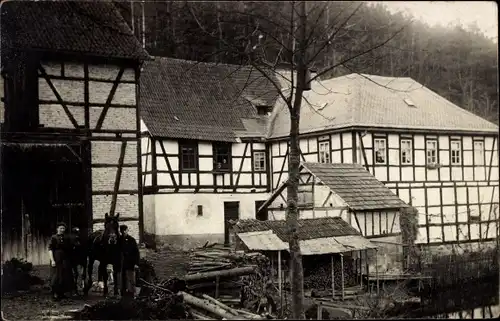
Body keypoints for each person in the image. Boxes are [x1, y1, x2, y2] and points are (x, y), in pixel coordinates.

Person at [48, 222, 75, 301]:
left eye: (63, 228)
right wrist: (52, 260)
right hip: (56, 258)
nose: (62, 230)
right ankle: (54, 294)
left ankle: (61, 294)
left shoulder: (66, 238)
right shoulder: (54, 237)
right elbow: (50, 249)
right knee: (56, 276)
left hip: (65, 259)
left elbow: (70, 249)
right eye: (60, 228)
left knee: (64, 276)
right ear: (57, 229)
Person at [119, 225, 139, 297]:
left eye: (125, 230)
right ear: (120, 231)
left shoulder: (131, 240)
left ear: (127, 230)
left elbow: (136, 252)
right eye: (122, 230)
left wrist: (136, 263)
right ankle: (123, 293)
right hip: (122, 263)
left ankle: (132, 293)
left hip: (130, 262)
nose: (124, 232)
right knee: (122, 278)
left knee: (131, 278)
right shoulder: (119, 240)